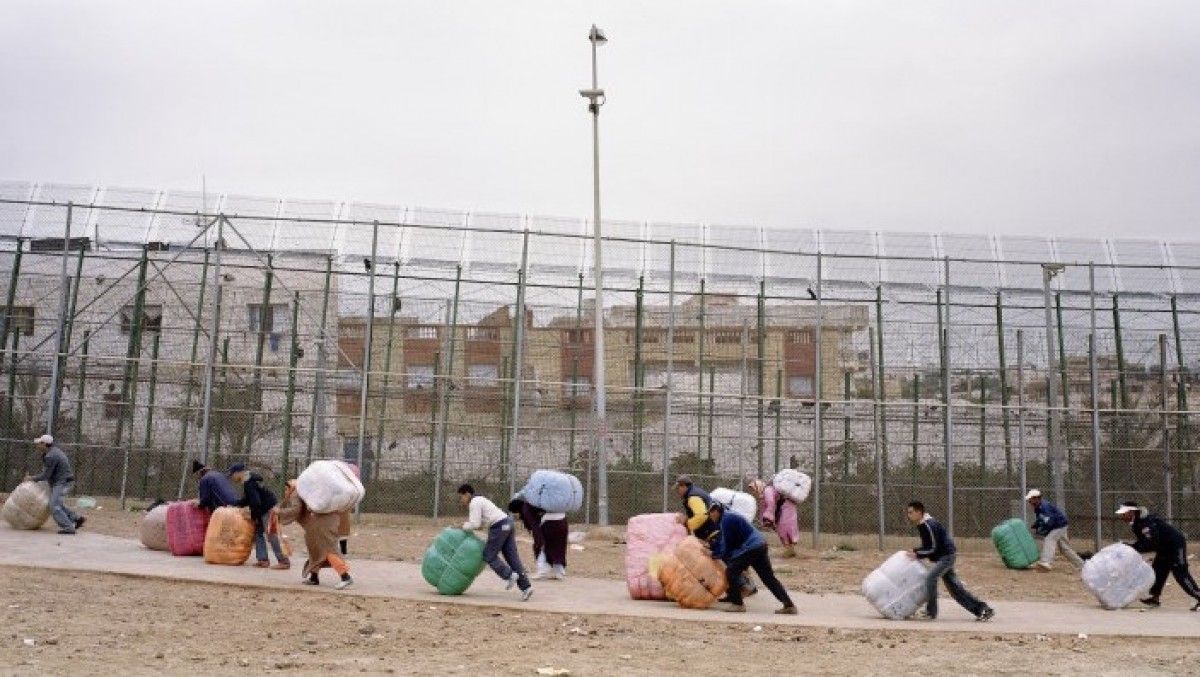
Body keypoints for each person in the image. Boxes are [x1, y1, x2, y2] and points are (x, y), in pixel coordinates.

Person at [905, 501, 994, 622]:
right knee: (956, 590)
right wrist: (916, 551)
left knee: (930, 578)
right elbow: (929, 546)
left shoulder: (928, 525)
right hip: (944, 556)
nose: (908, 515)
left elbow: (932, 548)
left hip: (946, 557)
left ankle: (931, 612)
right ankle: (982, 610)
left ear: (919, 512)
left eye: (911, 512)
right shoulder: (923, 524)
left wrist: (917, 553)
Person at [706, 503, 797, 615]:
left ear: (715, 511)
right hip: (760, 544)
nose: (710, 517)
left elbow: (727, 547)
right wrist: (716, 550)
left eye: (710, 513)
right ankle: (789, 605)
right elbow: (728, 543)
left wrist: (713, 554)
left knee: (731, 572)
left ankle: (737, 604)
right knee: (768, 578)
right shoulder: (728, 517)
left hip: (752, 547)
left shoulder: (726, 520)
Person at [1116, 501, 1200, 610]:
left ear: (1131, 512)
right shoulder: (1136, 523)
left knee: (1180, 573)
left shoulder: (1145, 523)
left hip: (1175, 544)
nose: (1122, 516)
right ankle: (1155, 598)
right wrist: (1130, 546)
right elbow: (1144, 541)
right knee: (1158, 571)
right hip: (1163, 547)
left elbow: (1151, 544)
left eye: (1124, 513)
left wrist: (1132, 548)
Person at [275, 480, 353, 590]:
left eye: (285, 489)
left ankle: (345, 577)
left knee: (327, 550)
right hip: (326, 521)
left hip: (319, 524)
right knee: (315, 550)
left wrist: (279, 512)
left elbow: (295, 510)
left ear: (290, 487)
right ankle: (314, 577)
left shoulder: (296, 493)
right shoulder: (311, 492)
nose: (285, 492)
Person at [459, 484, 533, 600]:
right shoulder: (481, 499)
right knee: (512, 558)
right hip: (508, 523)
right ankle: (526, 587)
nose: (461, 500)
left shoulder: (474, 502)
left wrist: (463, 526)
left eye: (461, 497)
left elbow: (475, 524)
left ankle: (509, 575)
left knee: (488, 555)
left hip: (499, 526)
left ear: (467, 494)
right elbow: (481, 524)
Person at [229, 463, 290, 570]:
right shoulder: (249, 479)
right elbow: (249, 499)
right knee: (258, 533)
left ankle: (283, 560)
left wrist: (254, 517)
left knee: (271, 534)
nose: (232, 477)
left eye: (232, 474)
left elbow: (255, 502)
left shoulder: (249, 483)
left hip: (267, 508)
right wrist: (236, 503)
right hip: (264, 507)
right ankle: (263, 560)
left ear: (238, 473)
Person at [25, 435, 83, 535]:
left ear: (45, 444)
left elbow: (46, 475)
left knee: (53, 505)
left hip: (63, 482)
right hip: (62, 481)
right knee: (57, 503)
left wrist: (31, 478)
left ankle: (69, 527)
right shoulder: (52, 452)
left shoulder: (51, 456)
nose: (37, 445)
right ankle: (76, 518)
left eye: (39, 443)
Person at [509, 494, 568, 580]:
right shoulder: (539, 500)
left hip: (549, 522)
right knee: (558, 547)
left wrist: (539, 540)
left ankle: (542, 572)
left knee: (539, 548)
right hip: (562, 520)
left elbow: (534, 525)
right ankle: (559, 572)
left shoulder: (526, 508)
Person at [1025, 489, 1083, 571]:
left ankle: (1046, 562)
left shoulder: (1045, 506)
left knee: (1049, 539)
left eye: (1031, 499)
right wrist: (1036, 525)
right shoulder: (1038, 507)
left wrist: (1043, 529)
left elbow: (1050, 521)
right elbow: (1041, 518)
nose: (1029, 502)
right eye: (1029, 500)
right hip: (1059, 525)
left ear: (1037, 498)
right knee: (1065, 548)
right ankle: (1082, 565)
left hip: (1059, 526)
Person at [746, 478, 800, 557]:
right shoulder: (762, 495)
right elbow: (763, 509)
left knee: (784, 528)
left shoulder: (767, 490)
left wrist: (768, 518)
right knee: (780, 529)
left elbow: (771, 503)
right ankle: (789, 549)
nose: (754, 491)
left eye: (754, 488)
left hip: (787, 507)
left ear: (759, 486)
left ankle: (789, 549)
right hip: (780, 509)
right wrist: (764, 520)